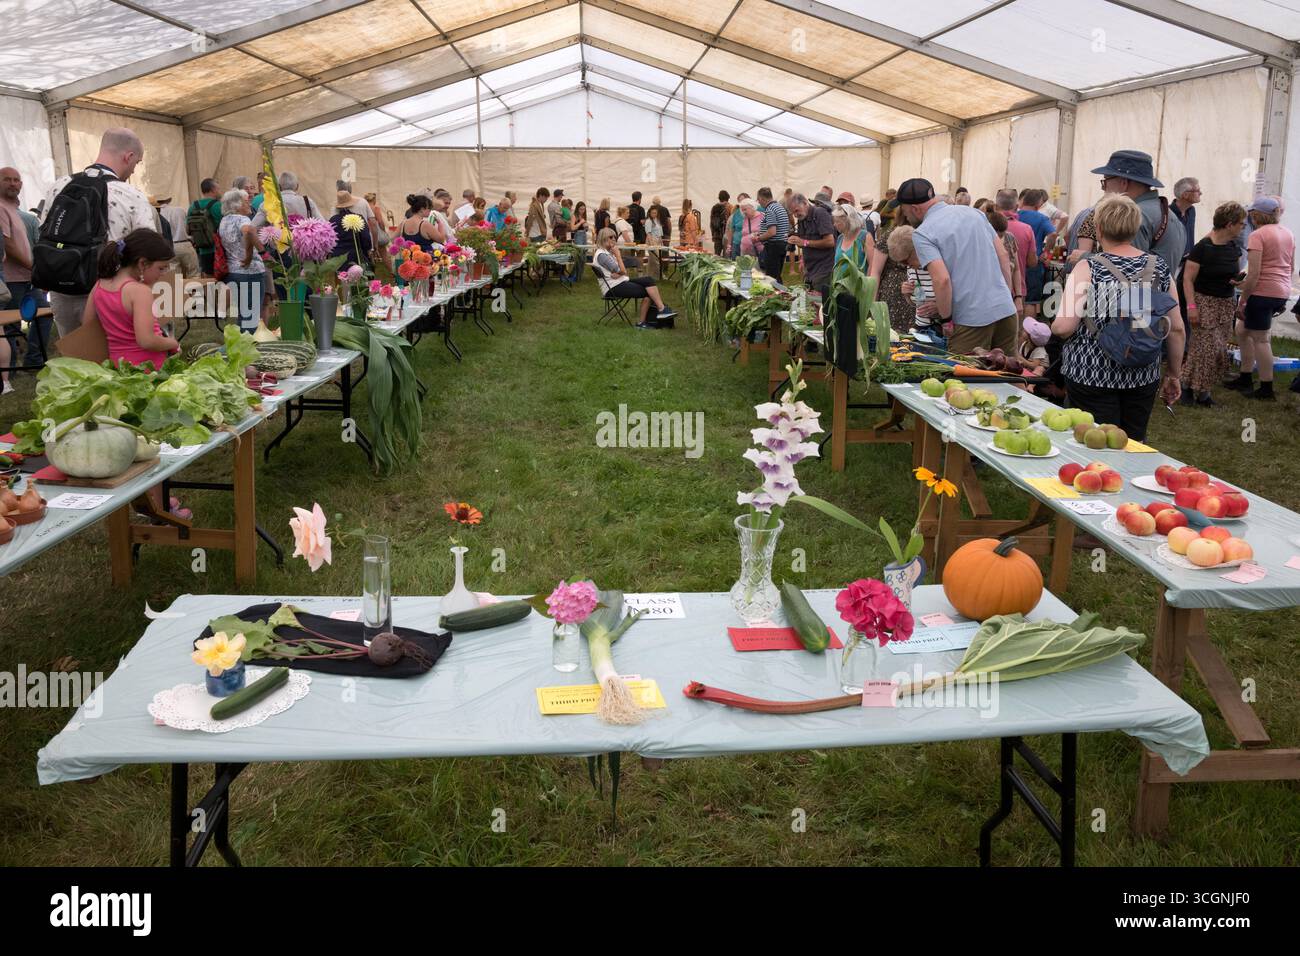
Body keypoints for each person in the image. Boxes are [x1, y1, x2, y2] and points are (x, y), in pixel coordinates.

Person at [1054, 194, 1184, 440]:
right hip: (1142, 373)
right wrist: (1173, 374)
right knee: (1133, 445)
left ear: (1099, 229)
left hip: (1090, 372)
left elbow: (1063, 327)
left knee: (1092, 445)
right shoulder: (1159, 268)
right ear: (1134, 228)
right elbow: (1176, 328)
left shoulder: (1088, 267)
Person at [39, 127, 154, 335]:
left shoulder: (59, 186)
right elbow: (150, 249)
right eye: (137, 163)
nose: (134, 170)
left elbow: (43, 233)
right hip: (109, 293)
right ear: (128, 157)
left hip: (61, 291)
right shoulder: (130, 195)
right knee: (112, 360)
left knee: (74, 358)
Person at [898, 178, 1017, 354]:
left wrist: (946, 320)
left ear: (915, 209)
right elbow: (1003, 256)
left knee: (964, 379)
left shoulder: (923, 233)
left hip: (972, 319)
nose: (906, 216)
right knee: (1010, 375)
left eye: (905, 211)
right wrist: (1006, 296)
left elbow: (941, 279)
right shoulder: (974, 214)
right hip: (1005, 310)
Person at [1229, 196, 1295, 400]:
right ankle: (1245, 376)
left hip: (1262, 291)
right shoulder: (1288, 233)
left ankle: (1267, 388)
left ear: (1257, 215)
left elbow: (1255, 273)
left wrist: (1243, 300)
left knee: (1261, 339)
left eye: (1251, 214)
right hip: (1281, 290)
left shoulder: (1258, 235)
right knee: (1241, 330)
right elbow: (1291, 267)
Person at [1181, 201, 1245, 406]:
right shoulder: (1203, 247)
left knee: (1215, 349)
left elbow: (1228, 273)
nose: (1243, 227)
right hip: (1204, 302)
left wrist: (1236, 280)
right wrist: (1191, 307)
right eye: (1241, 223)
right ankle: (1195, 391)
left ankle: (1194, 389)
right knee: (1205, 349)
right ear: (1229, 224)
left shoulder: (1233, 246)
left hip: (1225, 303)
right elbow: (1187, 279)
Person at [1090, 150, 1185, 283]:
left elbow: (1126, 269)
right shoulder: (1168, 214)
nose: (1103, 188)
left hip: (1136, 300)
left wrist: (1085, 258)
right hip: (1160, 299)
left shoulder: (1135, 216)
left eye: (1105, 182)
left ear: (1123, 182)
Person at [591, 227, 677, 329]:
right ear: (603, 238)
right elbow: (623, 270)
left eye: (615, 237)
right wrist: (618, 256)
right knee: (648, 291)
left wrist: (619, 273)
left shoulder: (606, 252)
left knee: (649, 280)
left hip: (619, 281)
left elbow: (620, 271)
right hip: (612, 288)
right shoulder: (602, 255)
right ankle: (643, 322)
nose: (614, 239)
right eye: (611, 237)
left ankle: (661, 310)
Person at [0, 166, 39, 363]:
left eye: (16, 180)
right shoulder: (0, 207)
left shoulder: (14, 209)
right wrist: (33, 267)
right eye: (7, 179)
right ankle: (10, 370)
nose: (13, 183)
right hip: (11, 279)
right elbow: (8, 246)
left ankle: (33, 359)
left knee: (43, 313)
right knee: (9, 324)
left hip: (26, 277)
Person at [217, 189, 265, 331]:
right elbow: (249, 231)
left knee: (243, 315)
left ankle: (238, 346)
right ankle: (240, 348)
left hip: (233, 272)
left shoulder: (224, 221)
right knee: (250, 318)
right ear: (236, 205)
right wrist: (257, 252)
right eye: (245, 201)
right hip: (250, 272)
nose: (249, 202)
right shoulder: (242, 219)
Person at [886, 225, 941, 343]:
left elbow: (956, 296)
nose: (906, 265)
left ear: (916, 249)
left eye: (905, 261)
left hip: (942, 327)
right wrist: (907, 294)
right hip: (922, 327)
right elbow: (917, 302)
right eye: (901, 263)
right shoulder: (912, 268)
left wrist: (939, 307)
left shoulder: (937, 264)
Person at [995, 189, 1035, 311]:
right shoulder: (1026, 229)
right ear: (1017, 206)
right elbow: (1032, 262)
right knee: (1015, 329)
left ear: (996, 206)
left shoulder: (985, 228)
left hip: (992, 291)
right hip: (1017, 290)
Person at [789, 192, 835, 293]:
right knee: (809, 303)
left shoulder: (820, 213)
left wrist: (805, 242)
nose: (796, 215)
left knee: (821, 304)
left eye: (797, 210)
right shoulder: (802, 218)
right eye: (793, 213)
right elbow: (803, 242)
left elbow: (830, 241)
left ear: (805, 203)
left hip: (823, 270)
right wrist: (795, 240)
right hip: (810, 270)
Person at [986, 209, 1023, 320]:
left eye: (1001, 235)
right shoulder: (982, 241)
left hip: (1007, 297)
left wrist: (1018, 296)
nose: (999, 238)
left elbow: (1016, 269)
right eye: (997, 235)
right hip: (988, 301)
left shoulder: (1010, 238)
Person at [152, 194, 198, 279]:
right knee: (194, 274)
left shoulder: (157, 214)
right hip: (184, 244)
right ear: (169, 200)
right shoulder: (179, 210)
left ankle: (179, 292)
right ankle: (194, 292)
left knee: (175, 278)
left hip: (170, 247)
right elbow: (187, 228)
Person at [188, 178, 223, 278]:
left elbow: (188, 229)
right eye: (218, 188)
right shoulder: (218, 205)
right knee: (221, 277)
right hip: (218, 249)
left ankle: (210, 294)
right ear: (213, 189)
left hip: (202, 249)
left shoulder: (193, 206)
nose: (220, 191)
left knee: (208, 278)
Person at [330, 190, 374, 268]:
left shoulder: (333, 220)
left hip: (337, 258)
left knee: (340, 277)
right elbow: (366, 237)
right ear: (351, 205)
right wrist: (368, 249)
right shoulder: (358, 218)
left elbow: (330, 239)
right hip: (355, 256)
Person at [754, 186, 789, 281]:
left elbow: (772, 232)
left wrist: (759, 238)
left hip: (774, 246)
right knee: (777, 275)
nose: (759, 202)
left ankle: (775, 295)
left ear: (761, 198)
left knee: (771, 277)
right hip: (782, 244)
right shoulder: (779, 207)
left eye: (758, 200)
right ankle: (782, 294)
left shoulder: (770, 209)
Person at [832, 203, 869, 272]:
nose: (834, 225)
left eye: (837, 221)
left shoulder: (864, 236)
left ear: (847, 221)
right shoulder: (840, 238)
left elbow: (872, 266)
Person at [726, 192, 750, 257]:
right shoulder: (736, 213)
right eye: (739, 202)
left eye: (743, 201)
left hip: (749, 245)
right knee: (735, 262)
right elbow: (731, 229)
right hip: (736, 243)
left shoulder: (756, 210)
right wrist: (729, 245)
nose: (741, 203)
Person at [709, 190, 731, 256]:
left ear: (719, 198)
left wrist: (713, 234)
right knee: (726, 256)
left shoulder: (714, 207)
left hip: (717, 236)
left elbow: (712, 223)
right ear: (728, 198)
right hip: (725, 236)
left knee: (717, 255)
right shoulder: (729, 207)